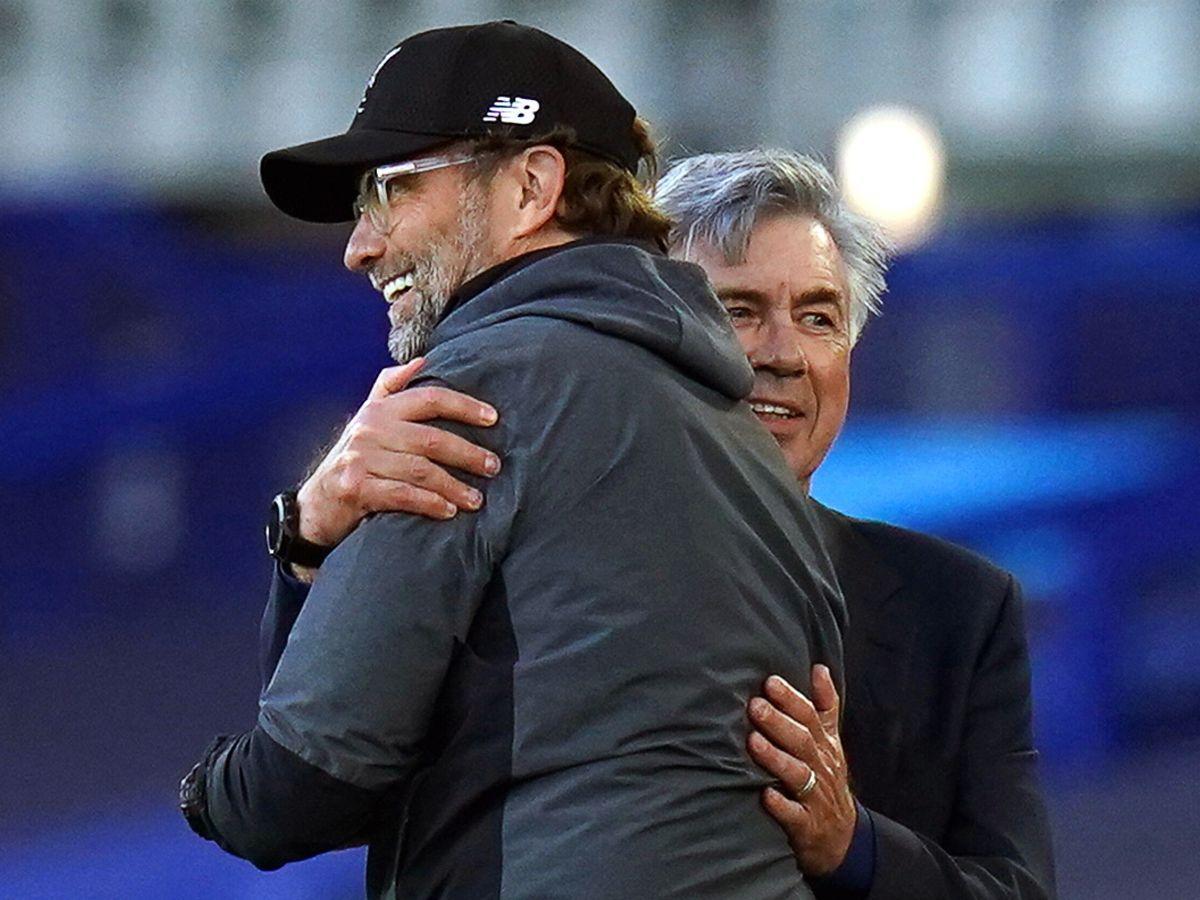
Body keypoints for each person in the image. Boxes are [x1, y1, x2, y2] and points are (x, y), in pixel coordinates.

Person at [179, 23, 844, 900]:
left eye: (392, 188)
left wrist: (205, 789)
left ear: (530, 187)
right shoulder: (746, 443)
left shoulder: (480, 389)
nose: (360, 245)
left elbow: (300, 790)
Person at [287, 148, 1056, 899]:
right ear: (652, 339)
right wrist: (305, 538)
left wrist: (852, 846)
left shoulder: (959, 609)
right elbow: (311, 782)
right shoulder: (503, 562)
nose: (782, 353)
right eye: (737, 311)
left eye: (818, 316)